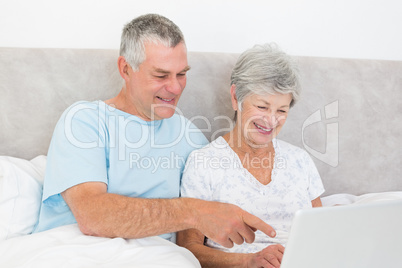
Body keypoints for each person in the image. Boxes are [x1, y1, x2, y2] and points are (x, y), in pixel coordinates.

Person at [34, 14, 276, 255]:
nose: (176, 87)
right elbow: (92, 216)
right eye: (161, 75)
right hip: (78, 253)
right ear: (126, 68)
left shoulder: (189, 136)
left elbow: (205, 232)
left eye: (181, 74)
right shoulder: (84, 121)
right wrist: (194, 212)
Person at [177, 43, 325, 267]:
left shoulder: (300, 160)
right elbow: (189, 250)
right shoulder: (203, 163)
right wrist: (249, 261)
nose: (271, 120)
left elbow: (323, 233)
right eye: (262, 107)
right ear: (236, 97)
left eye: (282, 110)